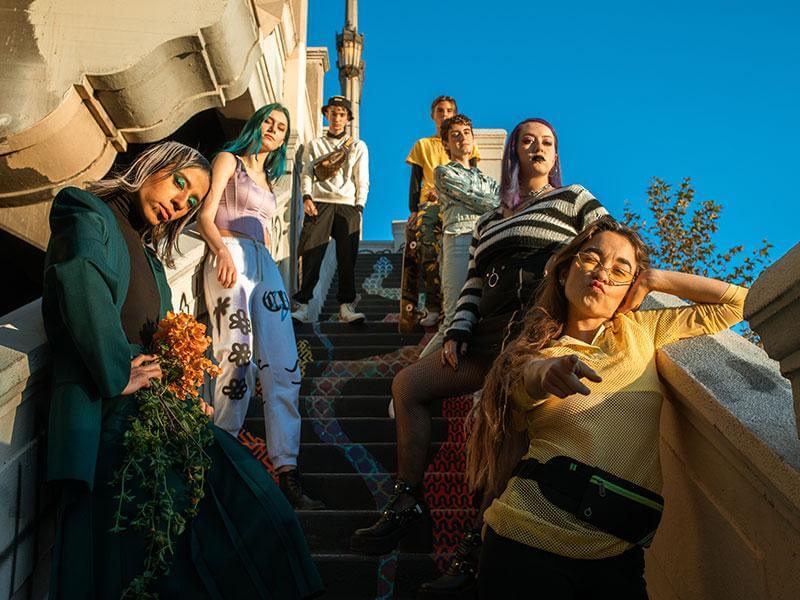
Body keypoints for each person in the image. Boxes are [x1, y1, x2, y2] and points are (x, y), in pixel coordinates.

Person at [43, 141, 324, 599]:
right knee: (138, 557)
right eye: (179, 184)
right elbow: (79, 277)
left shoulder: (153, 260)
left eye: (193, 202)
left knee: (255, 502)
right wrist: (118, 372)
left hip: (164, 415)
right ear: (150, 166)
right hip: (106, 416)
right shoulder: (84, 209)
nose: (180, 205)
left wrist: (181, 379)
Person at [351, 118, 608, 597]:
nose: (537, 147)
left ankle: (473, 554)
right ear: (511, 153)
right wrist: (457, 329)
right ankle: (407, 501)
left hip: (531, 337)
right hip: (483, 336)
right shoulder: (491, 219)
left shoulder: (573, 198)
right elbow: (472, 281)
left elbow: (612, 247)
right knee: (409, 386)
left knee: (500, 427)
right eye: (527, 140)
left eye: (547, 142)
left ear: (555, 157)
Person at [469, 217, 747, 599]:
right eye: (591, 259)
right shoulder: (531, 355)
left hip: (617, 554)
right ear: (564, 272)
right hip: (526, 542)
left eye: (620, 270)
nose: (602, 273)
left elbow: (740, 302)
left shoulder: (642, 331)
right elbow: (522, 385)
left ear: (630, 289)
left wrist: (653, 279)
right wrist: (544, 372)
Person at [196, 103, 324, 510]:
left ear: (285, 139)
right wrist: (221, 252)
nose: (274, 129)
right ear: (256, 123)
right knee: (237, 355)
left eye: (282, 127)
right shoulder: (227, 160)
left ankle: (287, 470)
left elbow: (267, 235)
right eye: (269, 121)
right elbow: (206, 213)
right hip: (229, 252)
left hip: (263, 265)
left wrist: (272, 277)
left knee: (285, 365)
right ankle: (221, 458)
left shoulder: (269, 180)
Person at [419, 113, 499, 358]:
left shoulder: (487, 179)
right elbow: (489, 203)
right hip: (458, 240)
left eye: (466, 133)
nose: (462, 138)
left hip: (486, 242)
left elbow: (499, 203)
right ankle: (409, 384)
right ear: (446, 144)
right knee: (453, 319)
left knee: (483, 315)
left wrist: (499, 205)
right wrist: (498, 205)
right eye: (455, 135)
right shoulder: (443, 173)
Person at [291, 95, 370, 324]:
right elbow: (306, 172)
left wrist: (359, 206)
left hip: (347, 204)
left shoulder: (357, 145)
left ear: (348, 118)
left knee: (347, 257)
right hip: (319, 201)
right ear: (327, 115)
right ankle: (303, 306)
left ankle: (346, 307)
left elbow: (361, 177)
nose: (337, 118)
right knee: (311, 251)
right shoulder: (315, 145)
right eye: (333, 113)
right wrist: (306, 196)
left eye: (342, 114)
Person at [406, 95, 481, 328]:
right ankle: (432, 305)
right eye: (440, 111)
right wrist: (413, 210)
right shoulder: (423, 145)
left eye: (449, 111)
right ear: (433, 115)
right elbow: (415, 180)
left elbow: (473, 177)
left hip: (459, 205)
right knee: (428, 245)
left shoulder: (468, 144)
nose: (444, 114)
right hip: (430, 204)